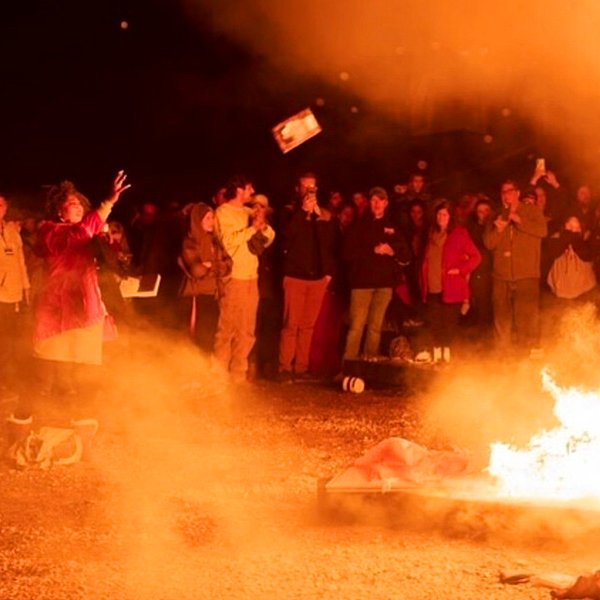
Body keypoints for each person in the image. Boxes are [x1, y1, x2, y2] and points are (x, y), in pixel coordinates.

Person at [31, 171, 130, 403]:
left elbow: (108, 259)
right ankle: (31, 421)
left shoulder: (89, 233)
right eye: (71, 204)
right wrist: (108, 202)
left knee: (83, 372)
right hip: (57, 311)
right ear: (59, 211)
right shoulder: (50, 231)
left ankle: (80, 421)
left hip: (85, 309)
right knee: (47, 370)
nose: (78, 207)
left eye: (80, 204)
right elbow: (79, 233)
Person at [214, 175, 275, 384]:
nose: (252, 192)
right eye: (249, 188)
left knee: (247, 330)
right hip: (234, 277)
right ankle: (219, 374)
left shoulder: (249, 212)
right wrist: (252, 229)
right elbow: (229, 243)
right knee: (227, 329)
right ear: (239, 190)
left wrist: (262, 223)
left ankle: (238, 374)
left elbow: (270, 236)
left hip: (251, 277)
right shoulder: (222, 212)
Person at [342, 187, 411, 361]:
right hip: (362, 283)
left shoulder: (393, 227)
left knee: (375, 327)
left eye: (381, 200)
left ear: (386, 203)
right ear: (369, 203)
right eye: (373, 200)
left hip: (384, 284)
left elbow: (406, 255)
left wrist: (391, 251)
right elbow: (346, 253)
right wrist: (371, 250)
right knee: (356, 326)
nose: (377, 204)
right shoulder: (358, 226)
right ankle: (348, 364)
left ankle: (369, 364)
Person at [484, 179, 547, 358]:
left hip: (526, 275)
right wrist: (499, 229)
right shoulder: (495, 215)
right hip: (501, 277)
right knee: (501, 323)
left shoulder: (532, 210)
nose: (506, 195)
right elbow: (489, 243)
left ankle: (528, 362)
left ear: (518, 193)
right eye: (503, 192)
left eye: (510, 191)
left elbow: (542, 231)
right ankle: (503, 362)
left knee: (526, 321)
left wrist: (517, 218)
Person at [421, 201, 481, 361]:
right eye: (439, 214)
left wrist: (460, 270)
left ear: (450, 217)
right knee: (435, 326)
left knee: (448, 327)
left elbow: (476, 257)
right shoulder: (430, 234)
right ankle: (436, 359)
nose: (441, 217)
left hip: (451, 288)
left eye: (445, 214)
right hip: (432, 287)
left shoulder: (458, 234)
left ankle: (447, 361)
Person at [178, 202, 231, 355]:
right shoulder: (190, 242)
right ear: (197, 220)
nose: (211, 221)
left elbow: (229, 265)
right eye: (207, 218)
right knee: (195, 338)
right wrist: (215, 267)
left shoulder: (215, 241)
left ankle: (205, 374)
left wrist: (211, 266)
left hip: (213, 294)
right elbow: (197, 270)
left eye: (212, 217)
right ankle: (193, 374)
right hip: (196, 296)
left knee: (209, 338)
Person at [0, 194, 31, 401]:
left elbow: (20, 261)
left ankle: (6, 383)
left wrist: (26, 287)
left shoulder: (11, 230)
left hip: (13, 294)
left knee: (9, 342)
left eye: (0, 204)